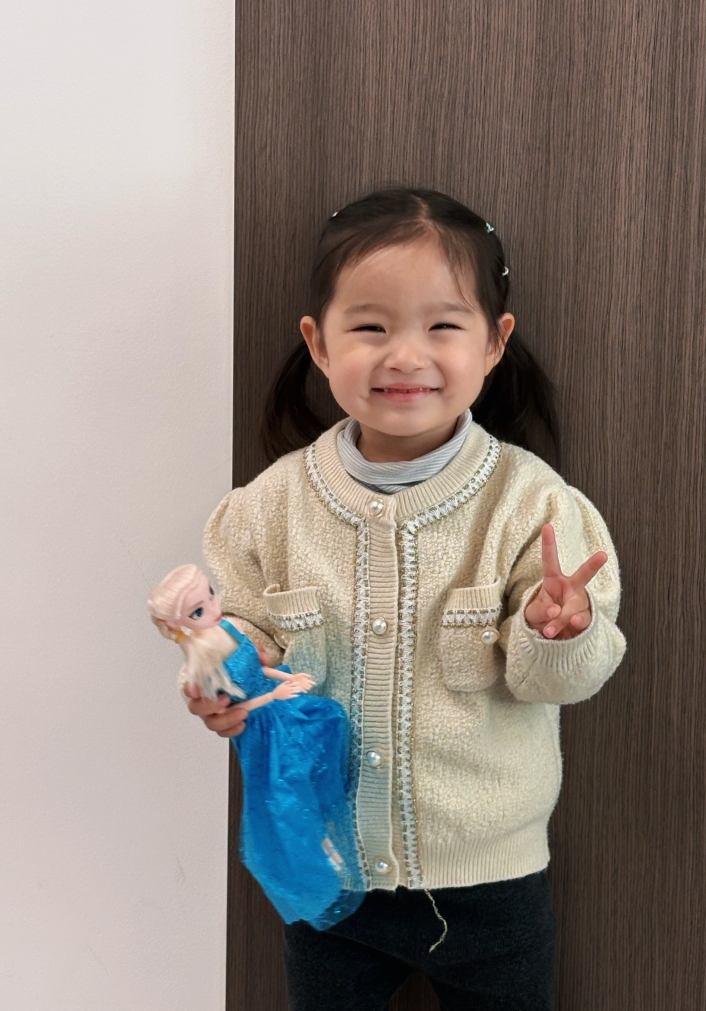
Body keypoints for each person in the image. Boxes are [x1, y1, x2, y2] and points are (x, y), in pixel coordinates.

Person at [185, 187, 627, 1010]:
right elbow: (246, 630)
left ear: (494, 344)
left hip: (493, 885)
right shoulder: (268, 507)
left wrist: (559, 632)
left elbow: (560, 681)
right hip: (325, 868)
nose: (405, 356)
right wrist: (226, 672)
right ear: (319, 344)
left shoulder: (531, 503)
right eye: (371, 327)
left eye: (443, 326)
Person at [150, 564, 365, 928]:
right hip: (263, 724)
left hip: (276, 700)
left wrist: (286, 677)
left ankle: (330, 806)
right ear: (181, 624)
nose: (214, 608)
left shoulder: (228, 630)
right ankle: (320, 849)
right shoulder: (204, 663)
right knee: (285, 789)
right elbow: (239, 702)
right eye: (199, 611)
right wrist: (275, 696)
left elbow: (258, 667)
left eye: (211, 595)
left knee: (329, 719)